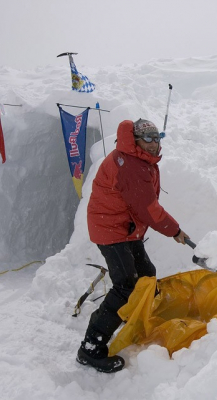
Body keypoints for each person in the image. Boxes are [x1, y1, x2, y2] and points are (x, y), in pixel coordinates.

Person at [76, 118, 190, 373]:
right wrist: (175, 231)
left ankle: (136, 320)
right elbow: (148, 208)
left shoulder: (136, 158)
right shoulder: (130, 164)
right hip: (110, 229)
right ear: (135, 140)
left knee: (146, 274)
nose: (153, 144)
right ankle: (90, 348)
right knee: (126, 284)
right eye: (147, 139)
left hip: (124, 227)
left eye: (156, 138)